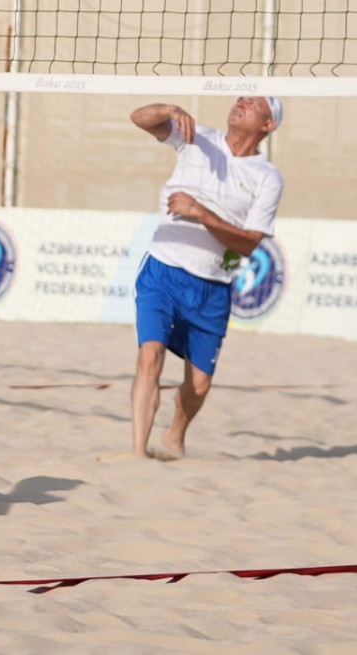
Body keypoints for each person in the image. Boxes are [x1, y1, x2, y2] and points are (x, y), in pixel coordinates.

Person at [125, 96, 283, 459]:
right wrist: (169, 111)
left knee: (198, 385)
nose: (241, 101)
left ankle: (174, 435)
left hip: (212, 286)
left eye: (254, 102)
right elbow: (138, 117)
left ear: (267, 124)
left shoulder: (268, 177)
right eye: (241, 97)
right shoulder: (198, 137)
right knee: (150, 357)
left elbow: (248, 245)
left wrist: (200, 212)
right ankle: (137, 453)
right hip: (163, 269)